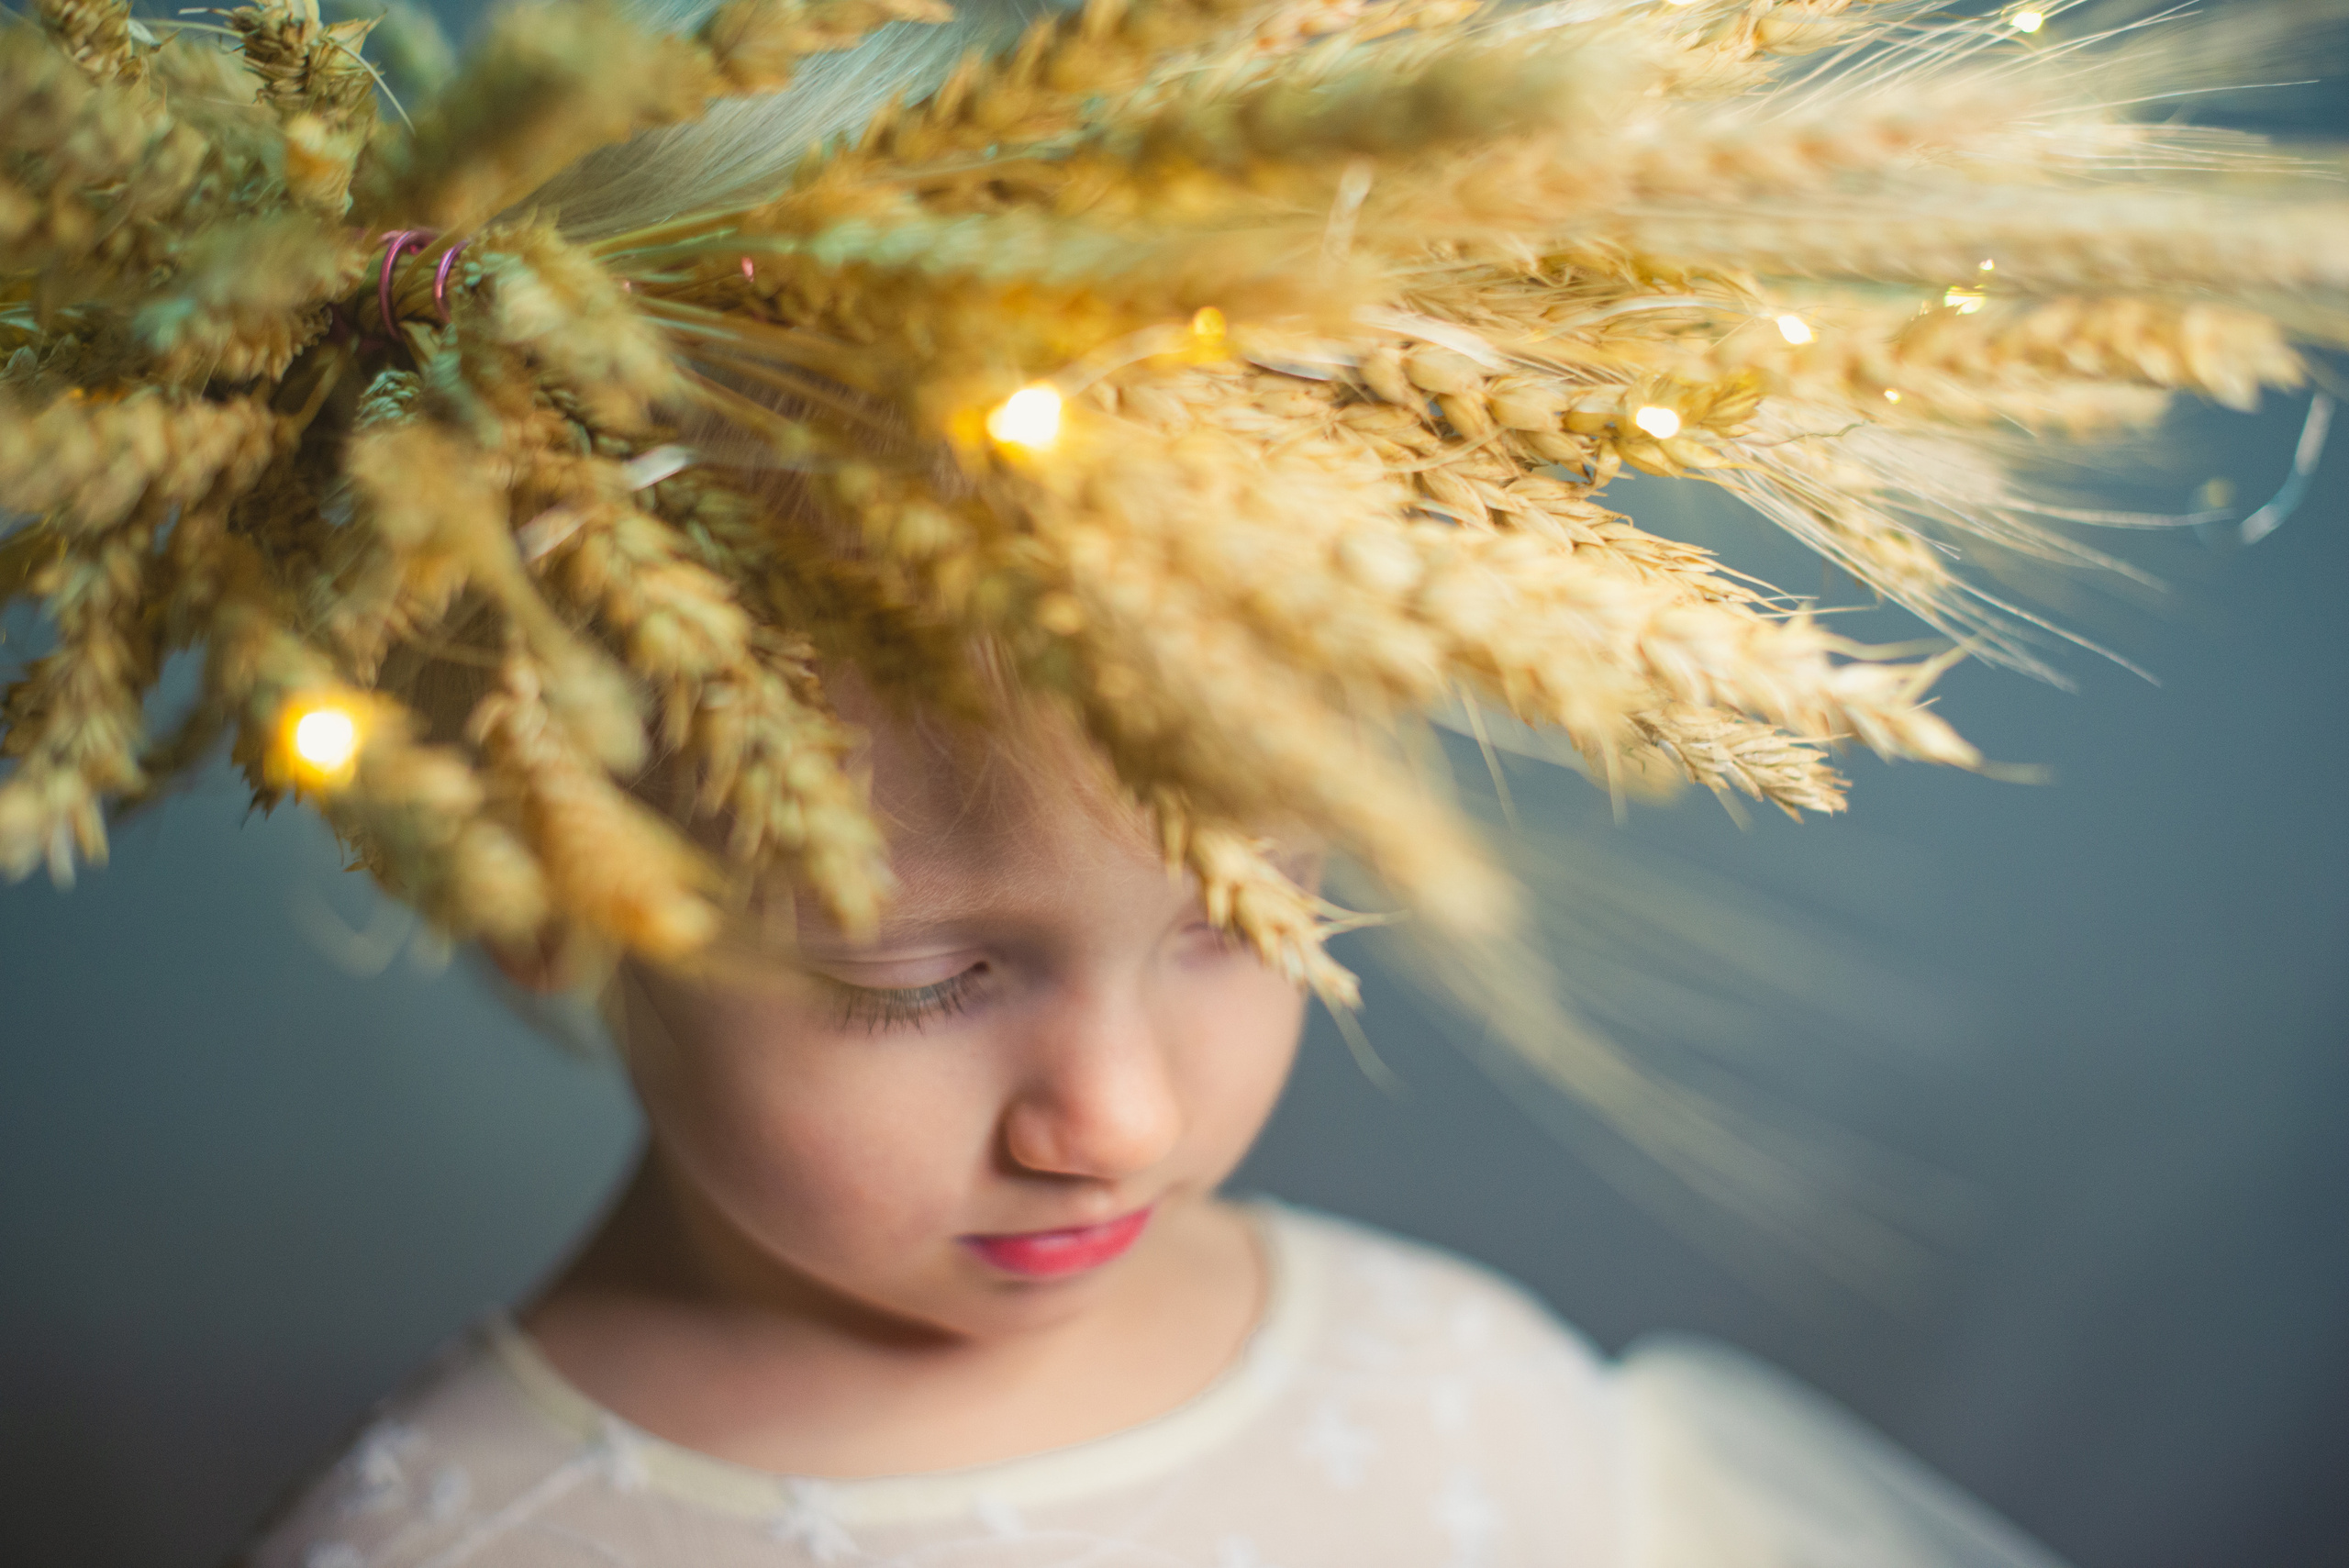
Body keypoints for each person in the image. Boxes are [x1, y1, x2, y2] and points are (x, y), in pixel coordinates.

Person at [0, 0, 2335, 1562]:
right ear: (537, 875)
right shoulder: (464, 1532)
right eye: (927, 980)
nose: (1107, 1112)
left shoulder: (1463, 1412)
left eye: (1243, 914)